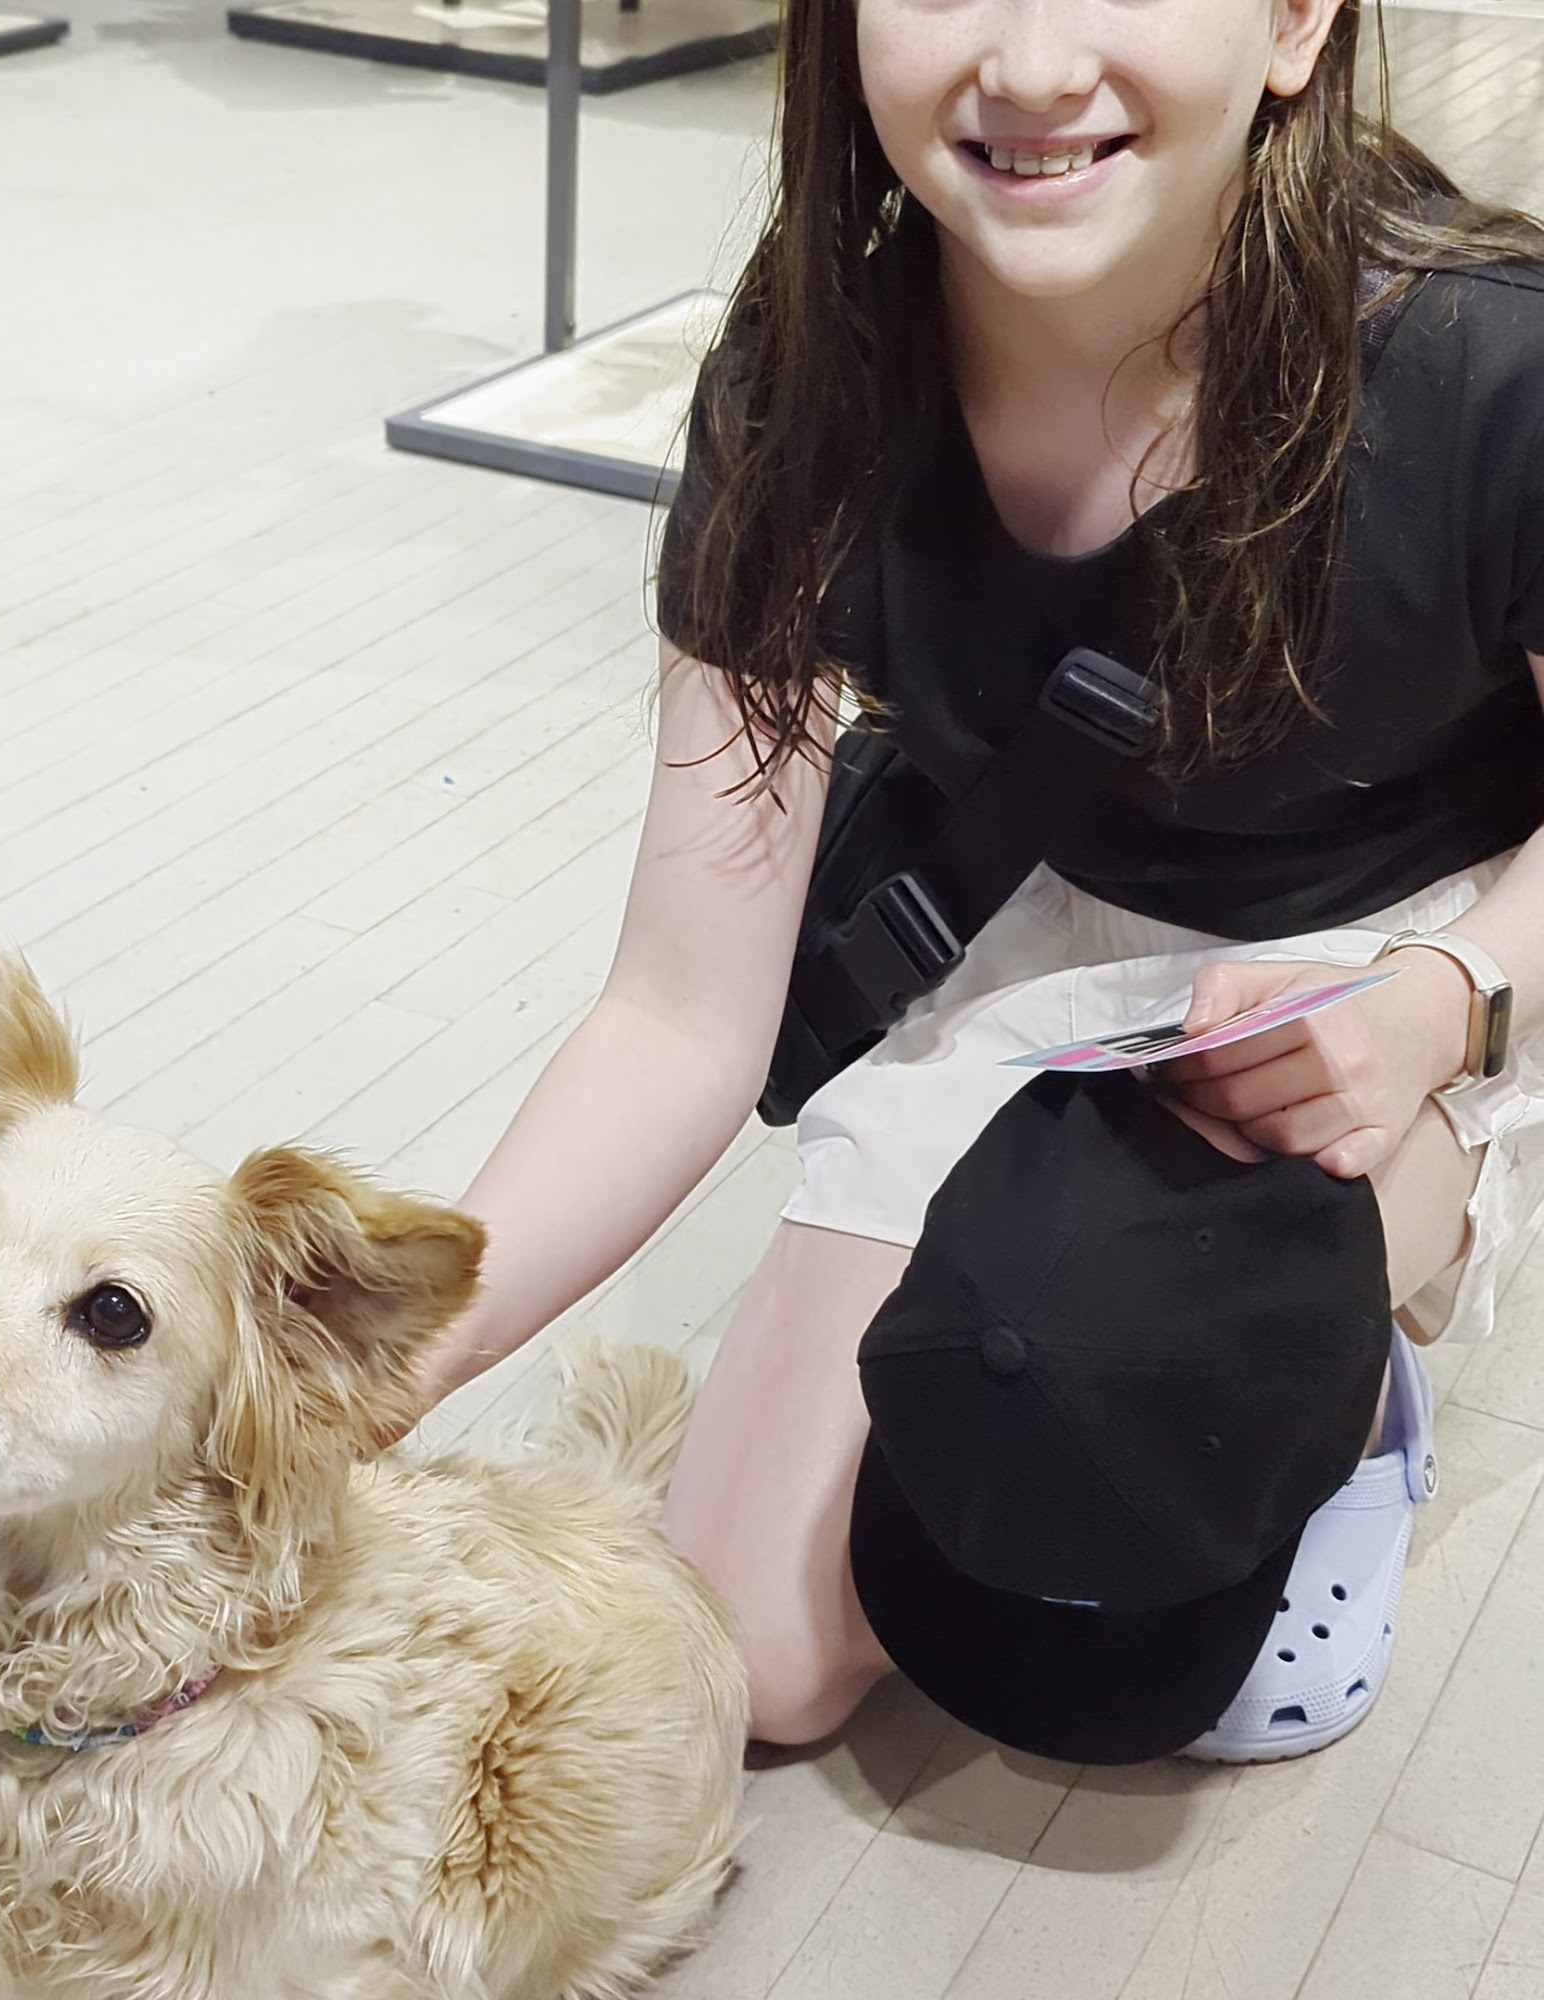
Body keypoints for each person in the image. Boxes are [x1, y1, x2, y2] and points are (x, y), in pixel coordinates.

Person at [396, 0, 1544, 1762]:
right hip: (1042, 933)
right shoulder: (811, 371)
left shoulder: (1489, 367)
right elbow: (679, 1012)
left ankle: (1350, 1377)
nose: (1029, 66)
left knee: (1103, 1396)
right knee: (757, 1660)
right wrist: (387, 1361)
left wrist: (1450, 1000)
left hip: (1406, 949)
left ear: (1297, 17)